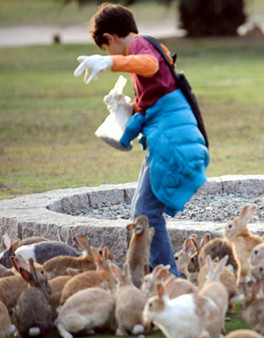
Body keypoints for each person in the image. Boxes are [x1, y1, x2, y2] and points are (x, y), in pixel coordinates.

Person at [74, 3, 209, 277]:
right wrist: (127, 107)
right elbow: (156, 93)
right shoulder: (144, 46)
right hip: (167, 139)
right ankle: (165, 274)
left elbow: (150, 65)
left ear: (109, 38)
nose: (108, 54)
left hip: (170, 140)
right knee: (142, 209)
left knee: (146, 212)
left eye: (106, 49)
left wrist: (112, 62)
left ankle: (168, 278)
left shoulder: (139, 45)